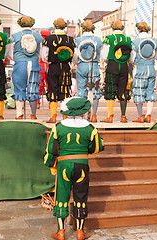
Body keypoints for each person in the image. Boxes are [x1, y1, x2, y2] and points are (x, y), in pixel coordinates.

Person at [44, 97, 104, 240]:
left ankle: (61, 232)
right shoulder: (90, 128)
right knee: (81, 197)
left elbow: (52, 149)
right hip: (82, 165)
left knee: (61, 196)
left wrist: (52, 166)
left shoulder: (58, 127)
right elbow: (97, 147)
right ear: (82, 113)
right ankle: (80, 232)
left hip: (64, 165)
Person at [40, 18, 76, 123]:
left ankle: (53, 116)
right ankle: (64, 116)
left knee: (52, 90)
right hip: (66, 67)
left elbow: (44, 57)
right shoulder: (70, 39)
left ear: (55, 26)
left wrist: (52, 60)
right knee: (65, 90)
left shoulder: (49, 39)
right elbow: (74, 57)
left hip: (53, 67)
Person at [9, 16, 43, 120]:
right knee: (33, 89)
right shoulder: (38, 36)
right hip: (34, 63)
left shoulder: (15, 36)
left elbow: (10, 53)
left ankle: (19, 114)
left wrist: (17, 58)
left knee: (19, 89)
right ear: (32, 24)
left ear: (20, 24)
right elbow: (41, 53)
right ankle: (33, 114)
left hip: (20, 63)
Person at [100, 20, 132, 123]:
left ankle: (110, 116)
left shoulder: (109, 38)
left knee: (110, 89)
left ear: (112, 28)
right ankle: (123, 116)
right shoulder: (127, 39)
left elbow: (104, 55)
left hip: (112, 64)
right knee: (123, 89)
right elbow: (130, 55)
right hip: (124, 66)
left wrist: (107, 61)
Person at [73, 20, 102, 122]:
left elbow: (75, 56)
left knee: (81, 89)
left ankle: (83, 113)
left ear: (83, 28)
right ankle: (94, 115)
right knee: (95, 90)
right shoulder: (98, 40)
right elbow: (102, 55)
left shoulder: (77, 40)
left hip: (82, 66)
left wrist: (78, 63)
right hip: (94, 65)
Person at [130, 22, 157, 123]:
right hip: (151, 68)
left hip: (140, 69)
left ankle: (140, 115)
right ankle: (149, 114)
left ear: (138, 30)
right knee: (150, 91)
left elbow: (132, 58)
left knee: (138, 91)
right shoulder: (154, 41)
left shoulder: (135, 42)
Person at [38, 30, 51, 109]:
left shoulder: (39, 43)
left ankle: (37, 103)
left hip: (40, 64)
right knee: (49, 85)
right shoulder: (51, 42)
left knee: (39, 85)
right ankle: (50, 102)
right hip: (48, 64)